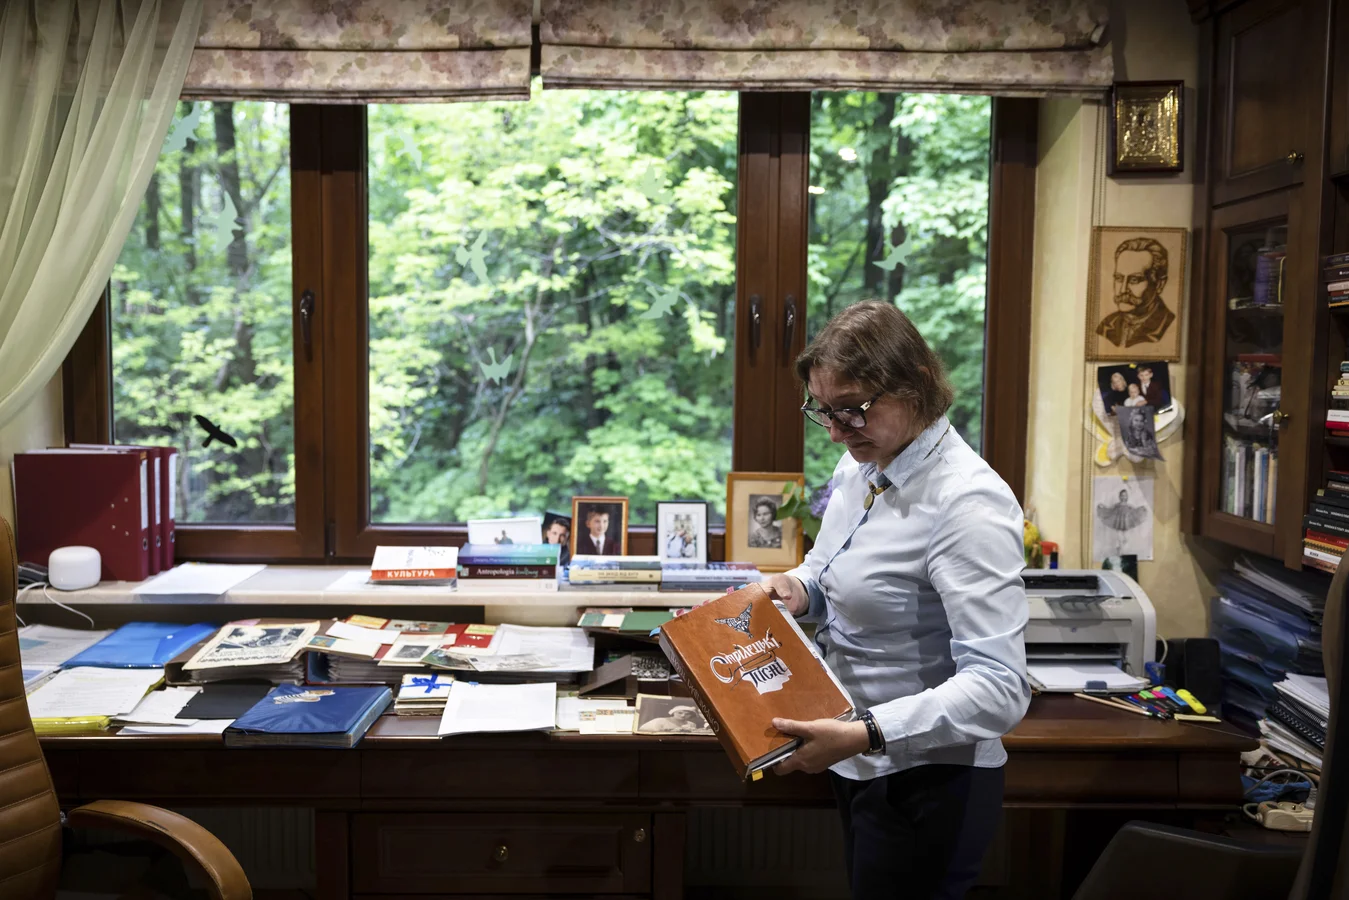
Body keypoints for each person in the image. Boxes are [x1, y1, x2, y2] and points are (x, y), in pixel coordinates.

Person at [764, 300, 1029, 900]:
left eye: (852, 409)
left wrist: (867, 732)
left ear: (916, 386)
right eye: (822, 411)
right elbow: (831, 574)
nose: (836, 431)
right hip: (860, 756)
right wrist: (797, 590)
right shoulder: (861, 463)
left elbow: (1000, 687)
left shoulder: (967, 504)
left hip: (928, 779)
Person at [1096, 237, 1175, 348]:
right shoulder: (1106, 325)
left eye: (1134, 280)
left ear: (1159, 284)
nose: (1123, 290)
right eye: (1119, 278)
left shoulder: (1170, 326)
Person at [641, 704, 707, 734]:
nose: (683, 715)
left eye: (687, 714)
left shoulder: (691, 724)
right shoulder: (660, 721)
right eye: (680, 713)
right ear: (673, 713)